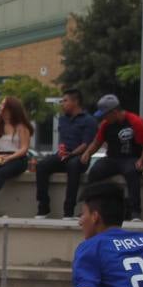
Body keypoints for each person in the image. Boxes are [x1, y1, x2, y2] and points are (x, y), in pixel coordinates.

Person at [36, 88, 97, 219]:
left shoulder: (89, 121)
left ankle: (68, 211)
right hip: (63, 155)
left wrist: (72, 154)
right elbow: (63, 141)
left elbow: (86, 143)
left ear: (75, 102)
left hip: (79, 157)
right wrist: (62, 150)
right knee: (41, 166)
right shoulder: (63, 120)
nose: (62, 104)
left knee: (73, 166)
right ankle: (43, 207)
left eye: (65, 101)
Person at [84, 94, 143, 221]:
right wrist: (88, 153)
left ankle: (135, 211)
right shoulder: (106, 124)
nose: (104, 118)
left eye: (105, 115)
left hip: (131, 157)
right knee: (95, 171)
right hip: (112, 159)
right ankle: (90, 208)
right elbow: (97, 142)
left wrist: (141, 160)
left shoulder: (135, 122)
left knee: (132, 172)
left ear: (114, 112)